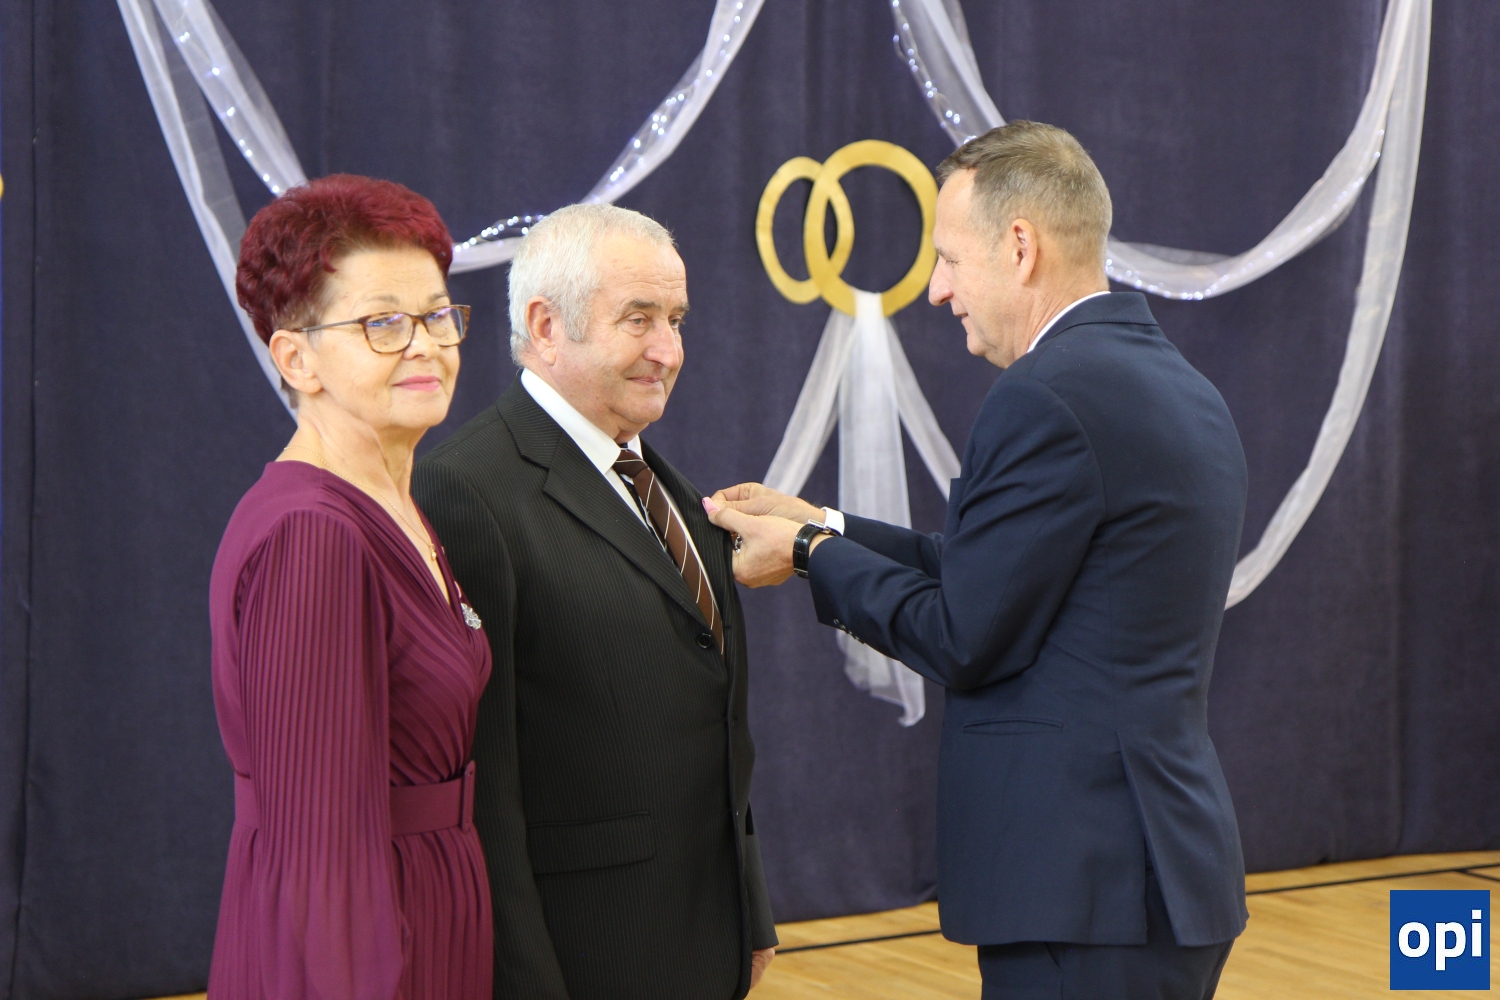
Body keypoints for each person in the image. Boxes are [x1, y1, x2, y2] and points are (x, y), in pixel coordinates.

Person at [707, 121, 1249, 1000]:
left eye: (949, 259)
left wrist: (807, 555)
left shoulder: (1045, 394)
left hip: (1086, 890)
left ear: (1020, 247)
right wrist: (824, 522)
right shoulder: (1180, 386)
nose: (936, 289)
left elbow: (964, 632)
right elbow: (989, 573)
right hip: (1152, 871)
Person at [412, 203, 776, 1000]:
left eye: (676, 319)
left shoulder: (670, 490)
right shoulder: (465, 490)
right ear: (546, 327)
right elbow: (484, 784)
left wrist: (747, 911)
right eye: (638, 319)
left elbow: (718, 726)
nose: (668, 350)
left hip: (703, 938)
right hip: (582, 956)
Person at [208, 174, 492, 999]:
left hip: (430, 909)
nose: (425, 346)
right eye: (382, 324)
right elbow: (317, 860)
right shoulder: (314, 535)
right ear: (296, 359)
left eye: (437, 316)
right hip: (363, 950)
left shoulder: (393, 501)